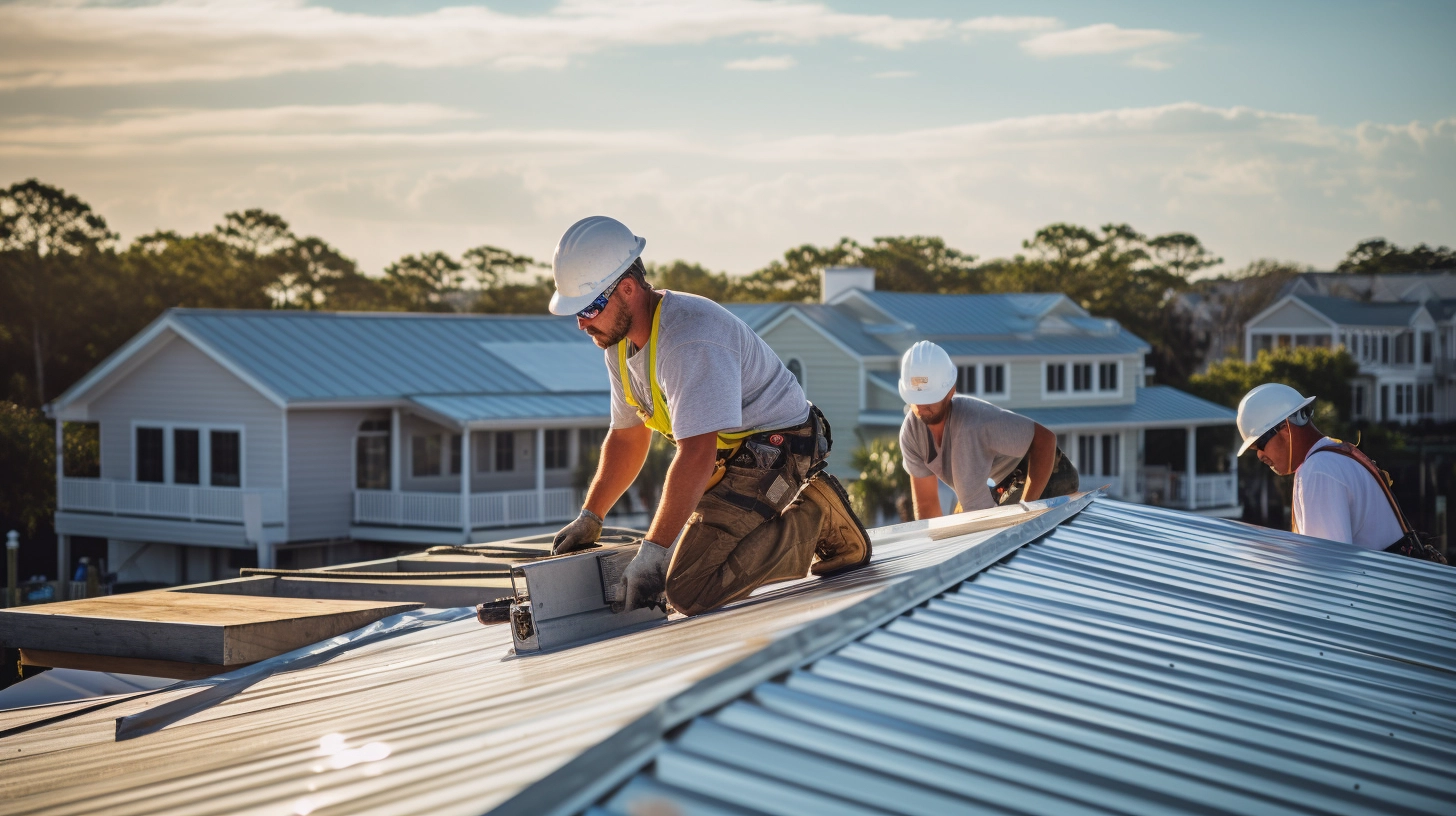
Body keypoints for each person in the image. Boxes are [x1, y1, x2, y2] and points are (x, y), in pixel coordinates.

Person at [546, 215, 873, 616]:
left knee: (688, 588)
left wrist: (653, 553)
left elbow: (696, 455)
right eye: (576, 312)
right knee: (685, 565)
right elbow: (628, 436)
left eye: (590, 307)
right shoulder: (618, 343)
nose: (582, 323)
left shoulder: (688, 338)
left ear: (627, 289)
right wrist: (591, 515)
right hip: (732, 459)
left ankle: (817, 516)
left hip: (778, 446)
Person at [898, 341, 1078, 518]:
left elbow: (1045, 440)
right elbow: (926, 505)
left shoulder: (977, 420)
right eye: (914, 398)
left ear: (951, 391)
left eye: (930, 398)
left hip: (1048, 473)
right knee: (959, 520)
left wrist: (1027, 510)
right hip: (999, 487)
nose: (921, 406)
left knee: (981, 521)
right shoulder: (911, 434)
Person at [1236, 383, 1405, 549]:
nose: (1259, 455)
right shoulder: (1335, 457)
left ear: (1285, 429)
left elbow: (1328, 566)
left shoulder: (1319, 471)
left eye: (1259, 444)